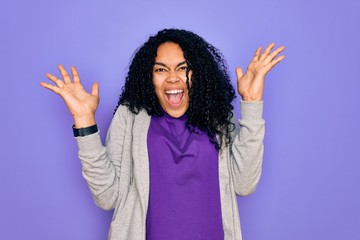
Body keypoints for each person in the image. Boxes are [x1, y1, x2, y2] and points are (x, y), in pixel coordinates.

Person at [40, 29, 285, 240]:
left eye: (183, 68)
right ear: (150, 76)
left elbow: (244, 184)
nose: (172, 78)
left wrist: (252, 104)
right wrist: (85, 123)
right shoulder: (131, 116)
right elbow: (107, 197)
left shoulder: (217, 117)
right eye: (161, 69)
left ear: (197, 74)